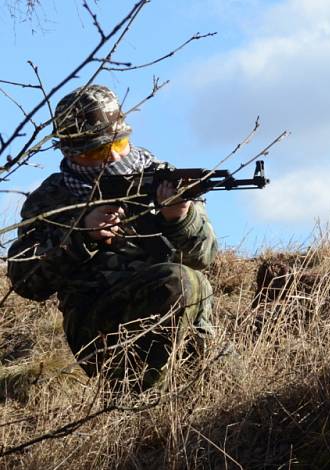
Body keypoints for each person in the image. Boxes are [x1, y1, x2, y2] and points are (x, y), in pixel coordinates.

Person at [7, 84, 217, 390]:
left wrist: (180, 219)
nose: (111, 159)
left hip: (183, 320)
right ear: (70, 153)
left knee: (225, 376)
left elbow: (205, 256)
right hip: (99, 328)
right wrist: (80, 235)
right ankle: (134, 401)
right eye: (98, 151)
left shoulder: (163, 179)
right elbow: (25, 281)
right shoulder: (52, 198)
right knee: (181, 281)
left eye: (118, 145)